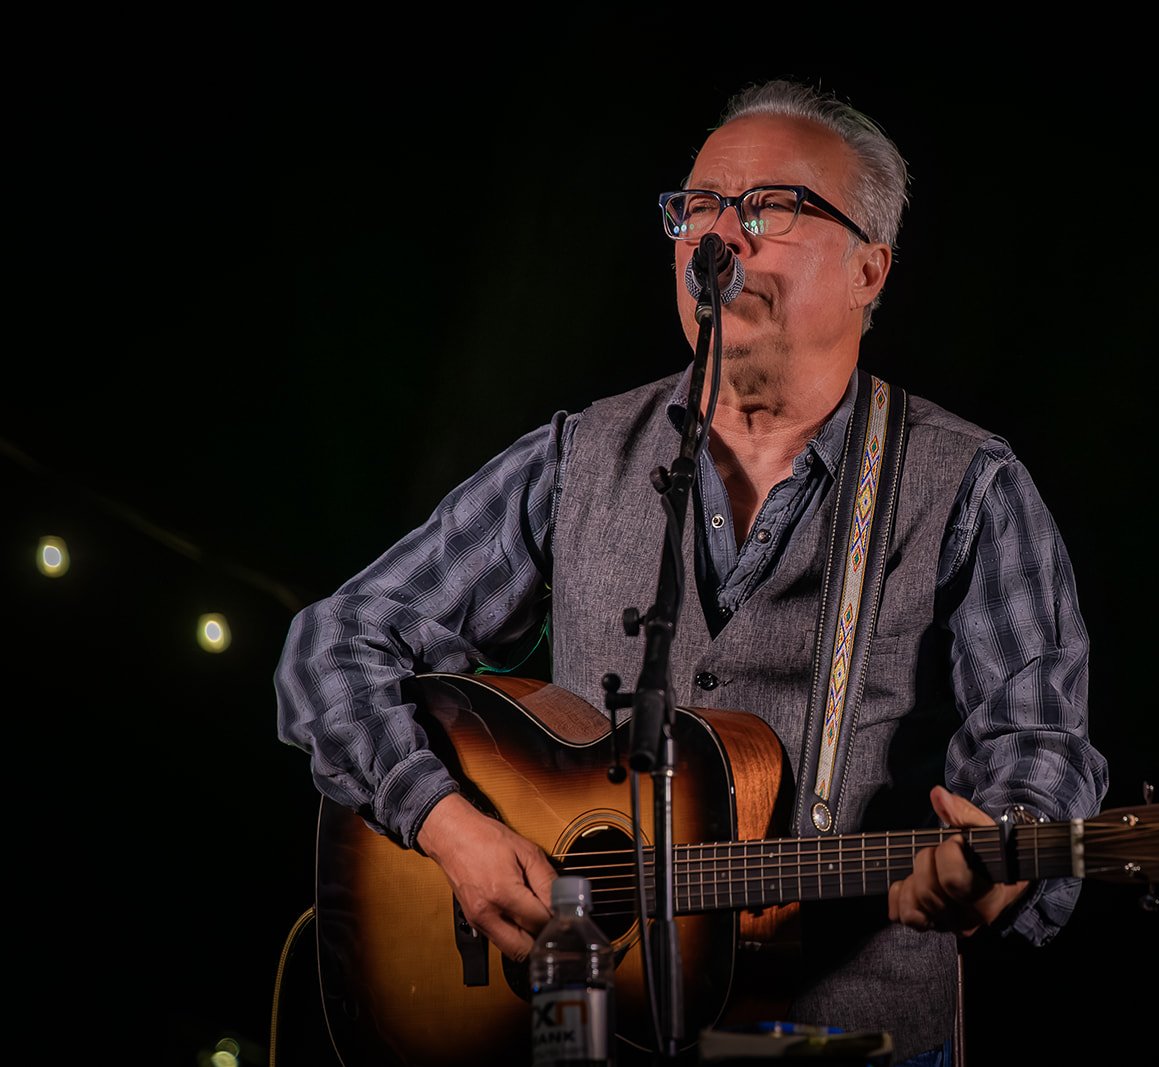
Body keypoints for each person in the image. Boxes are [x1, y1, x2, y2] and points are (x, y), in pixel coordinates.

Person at [275, 77, 1109, 1067]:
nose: (722, 236)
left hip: (852, 1042)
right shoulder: (575, 455)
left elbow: (1039, 743)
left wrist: (1002, 855)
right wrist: (446, 821)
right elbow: (329, 646)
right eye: (700, 207)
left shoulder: (969, 483)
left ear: (869, 269)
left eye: (772, 208)